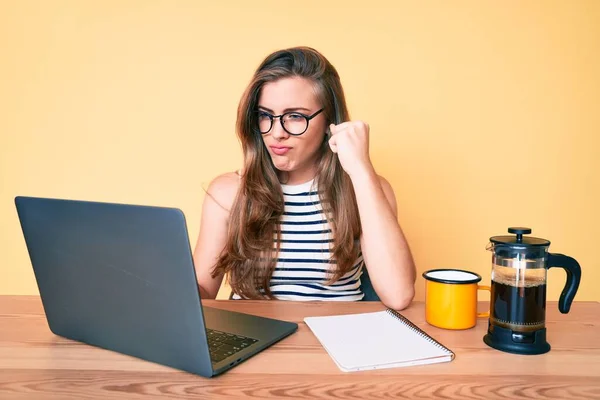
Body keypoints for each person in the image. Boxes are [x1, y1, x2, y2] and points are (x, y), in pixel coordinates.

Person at [192, 46, 416, 310]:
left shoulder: (366, 187)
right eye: (265, 116)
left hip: (342, 338)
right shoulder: (229, 192)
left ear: (330, 121)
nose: (276, 133)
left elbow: (398, 295)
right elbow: (201, 291)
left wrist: (361, 170)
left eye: (295, 116)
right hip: (256, 339)